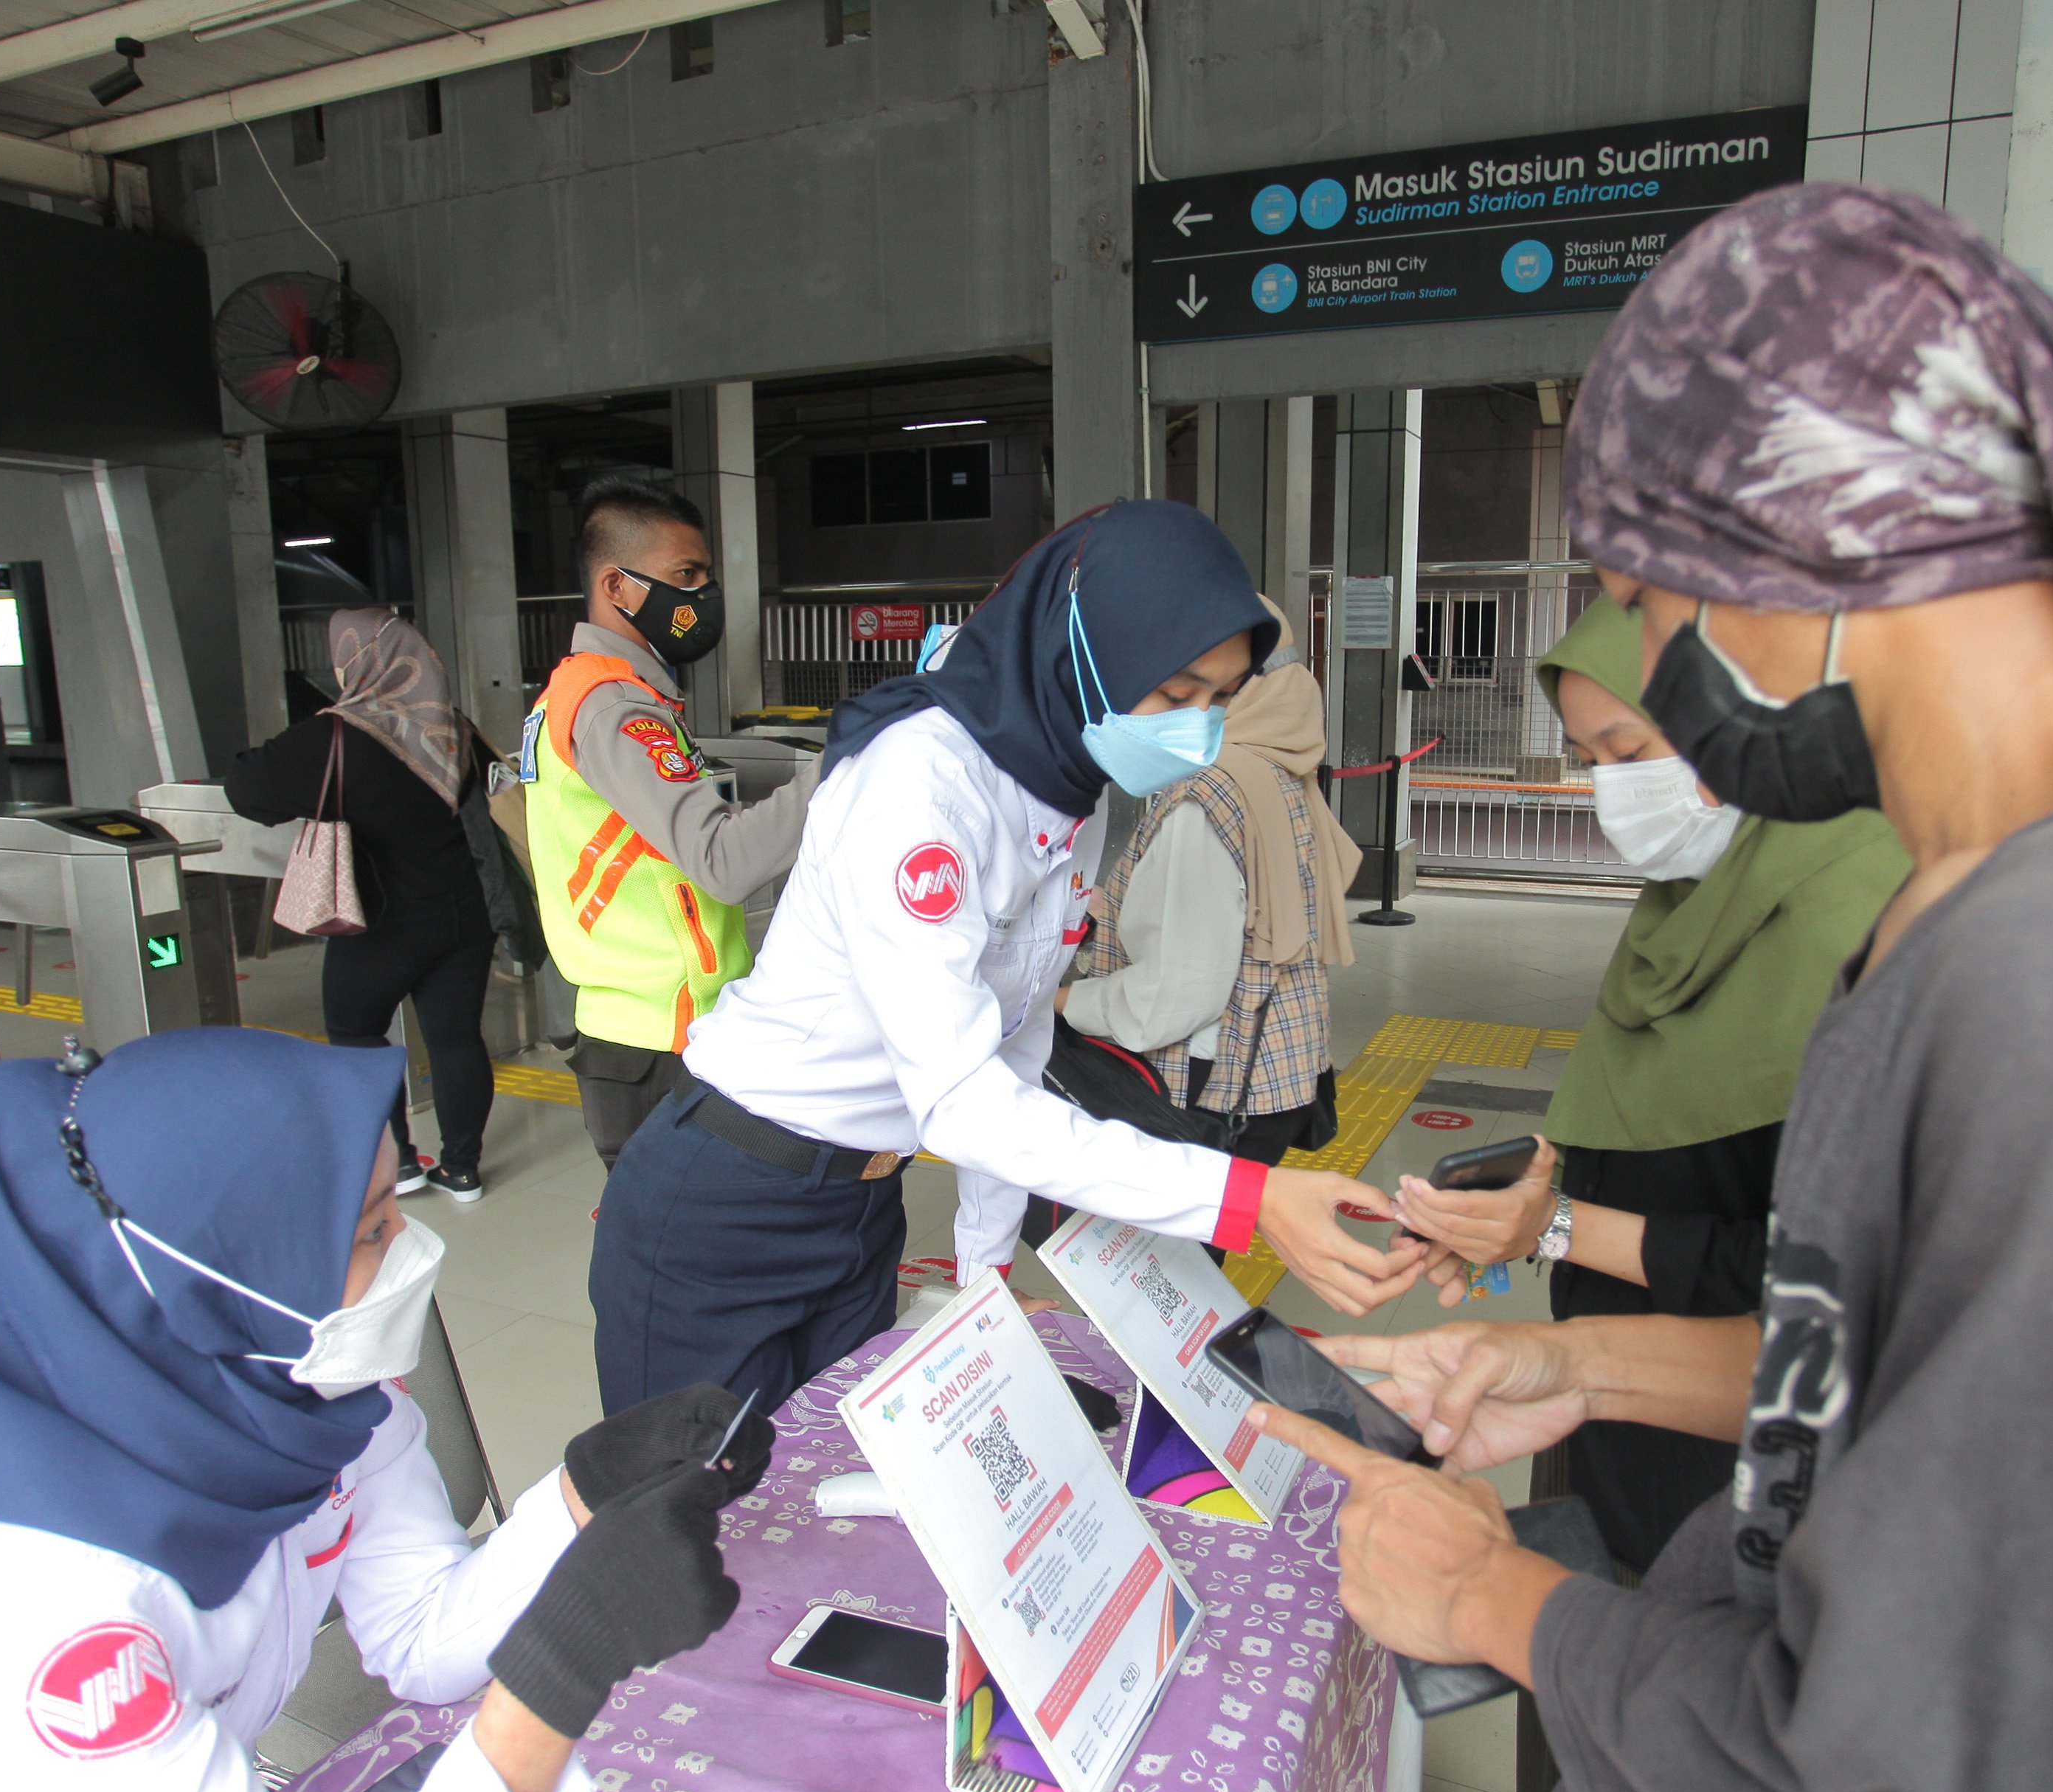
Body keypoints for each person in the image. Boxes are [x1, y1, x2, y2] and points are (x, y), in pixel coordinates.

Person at [1250, 182, 2053, 1792]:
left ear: (1805, 534)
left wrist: (1497, 1599)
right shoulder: (2020, 908)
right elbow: (1914, 1397)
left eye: (1644, 595)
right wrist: (1575, 1365)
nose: (1659, 678)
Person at [0, 1028, 770, 1792]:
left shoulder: (290, 1405)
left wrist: (584, 1496)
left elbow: (419, 1638)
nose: (417, 1253)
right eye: (373, 1231)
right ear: (215, 1289)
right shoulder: (53, 1625)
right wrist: (555, 1682)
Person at [589, 499, 1427, 1412]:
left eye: (1221, 698)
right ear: (1080, 652)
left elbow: (1013, 1050)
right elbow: (963, 1100)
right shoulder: (922, 788)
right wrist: (1245, 1200)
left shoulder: (1072, 787)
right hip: (726, 1202)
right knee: (683, 1515)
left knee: (825, 1496)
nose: (1200, 728)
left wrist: (984, 1283)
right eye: (1177, 692)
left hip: (863, 1203)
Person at [1391, 594, 1908, 1571]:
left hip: (1743, 1472)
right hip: (1600, 1400)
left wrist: (1556, 1228)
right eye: (1591, 763)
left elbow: (1833, 1279)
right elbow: (1659, 1138)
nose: (1611, 793)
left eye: (1631, 754)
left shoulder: (1868, 930)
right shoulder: (1699, 900)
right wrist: (1543, 1194)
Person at [522, 478, 809, 1168]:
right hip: (659, 1043)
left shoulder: (604, 691)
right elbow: (722, 861)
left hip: (660, 1031)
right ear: (618, 588)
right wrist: (850, 766)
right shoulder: (612, 707)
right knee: (687, 1261)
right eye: (687, 576)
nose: (704, 597)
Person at [1052, 600, 1359, 1172]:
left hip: (1207, 1088)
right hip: (1278, 1074)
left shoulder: (1207, 792)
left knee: (1157, 1263)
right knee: (1205, 1260)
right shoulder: (1279, 769)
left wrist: (1065, 1002)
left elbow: (1178, 993)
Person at [229, 610, 496, 1201]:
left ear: (352, 660)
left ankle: (398, 1162)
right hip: (463, 913)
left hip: (382, 921)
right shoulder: (452, 725)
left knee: (355, 1032)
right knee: (456, 1040)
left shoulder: (335, 736)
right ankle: (462, 1169)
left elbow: (246, 788)